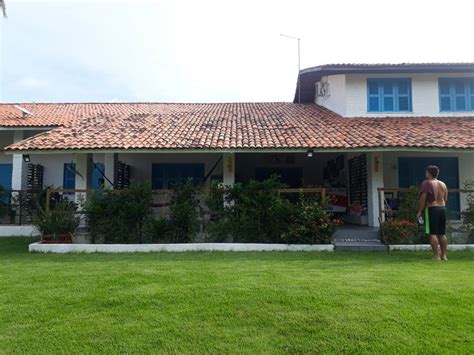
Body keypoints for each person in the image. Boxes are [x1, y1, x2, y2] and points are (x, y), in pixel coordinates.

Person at [417, 165, 448, 261]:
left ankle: (436, 256)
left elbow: (423, 198)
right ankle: (444, 255)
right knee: (442, 233)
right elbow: (445, 198)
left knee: (432, 233)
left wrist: (420, 211)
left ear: (429, 173)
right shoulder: (443, 184)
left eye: (426, 172)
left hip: (432, 208)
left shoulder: (427, 183)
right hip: (442, 208)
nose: (425, 174)